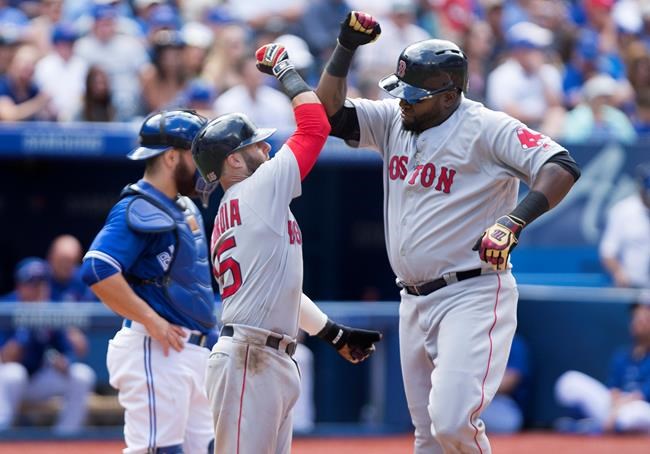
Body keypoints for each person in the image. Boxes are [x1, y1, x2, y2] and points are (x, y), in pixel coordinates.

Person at [315, 11, 580, 453]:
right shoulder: (393, 120)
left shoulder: (487, 127)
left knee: (454, 423)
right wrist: (344, 48)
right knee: (429, 439)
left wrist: (514, 220)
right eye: (401, 92)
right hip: (411, 299)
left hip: (470, 292)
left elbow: (561, 165)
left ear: (449, 94)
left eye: (415, 96)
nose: (403, 103)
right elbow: (328, 115)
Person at [193, 42, 382, 454]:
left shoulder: (248, 204)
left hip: (261, 355)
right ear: (233, 162)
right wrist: (284, 70)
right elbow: (315, 127)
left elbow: (281, 291)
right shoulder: (256, 190)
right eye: (255, 145)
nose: (267, 147)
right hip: (250, 357)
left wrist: (331, 333)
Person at [80, 109, 218, 453]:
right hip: (157, 349)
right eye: (196, 153)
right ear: (172, 157)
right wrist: (151, 319)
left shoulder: (182, 205)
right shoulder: (138, 207)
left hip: (193, 351)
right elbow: (97, 268)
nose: (204, 164)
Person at [0, 258, 96, 434]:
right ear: (20, 286)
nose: (38, 289)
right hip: (9, 381)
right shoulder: (6, 307)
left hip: (39, 380)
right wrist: (27, 326)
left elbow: (73, 350)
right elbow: (6, 357)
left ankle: (66, 436)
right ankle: (2, 431)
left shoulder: (51, 310)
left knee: (82, 375)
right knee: (14, 373)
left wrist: (65, 360)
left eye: (42, 283)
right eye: (32, 284)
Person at [555, 290, 650, 434]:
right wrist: (615, 403)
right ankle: (599, 425)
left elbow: (642, 395)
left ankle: (594, 427)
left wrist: (619, 408)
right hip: (615, 407)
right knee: (569, 381)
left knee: (632, 416)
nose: (638, 322)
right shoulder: (622, 355)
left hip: (641, 409)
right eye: (636, 318)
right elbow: (612, 389)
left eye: (644, 319)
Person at [600, 163, 650, 288]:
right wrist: (619, 273)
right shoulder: (622, 211)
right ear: (641, 189)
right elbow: (608, 252)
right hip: (633, 288)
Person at [480, 334, 531, 433]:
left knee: (508, 422)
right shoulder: (472, 343)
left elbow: (509, 382)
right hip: (467, 401)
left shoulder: (512, 342)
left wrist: (472, 386)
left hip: (497, 403)